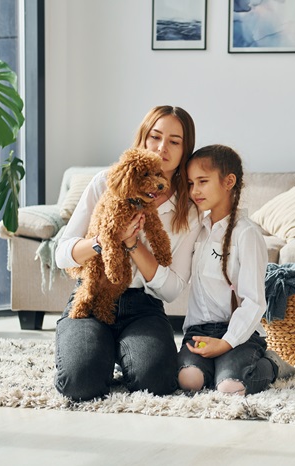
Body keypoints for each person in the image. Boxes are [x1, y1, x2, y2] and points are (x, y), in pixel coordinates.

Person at [54, 106, 202, 401]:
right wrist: (103, 241)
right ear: (143, 139)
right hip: (93, 295)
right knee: (79, 384)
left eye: (174, 141)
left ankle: (117, 351)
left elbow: (172, 289)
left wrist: (133, 245)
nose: (162, 148)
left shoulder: (188, 210)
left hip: (143, 306)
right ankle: (94, 348)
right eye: (155, 137)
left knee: (157, 382)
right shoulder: (105, 182)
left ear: (185, 150)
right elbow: (62, 254)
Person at [178, 144, 295, 396]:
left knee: (230, 387)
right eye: (190, 183)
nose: (194, 190)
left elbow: (254, 301)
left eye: (202, 181)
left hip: (238, 332)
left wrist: (226, 343)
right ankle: (215, 367)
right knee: (189, 380)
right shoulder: (196, 228)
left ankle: (274, 364)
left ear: (229, 181)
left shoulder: (247, 234)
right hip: (200, 330)